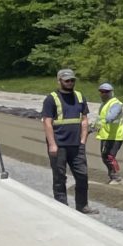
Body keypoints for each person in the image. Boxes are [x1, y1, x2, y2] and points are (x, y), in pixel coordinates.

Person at [41, 67, 92, 211]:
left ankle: (82, 205)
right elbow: (47, 122)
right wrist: (52, 144)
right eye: (67, 80)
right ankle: (62, 206)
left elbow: (84, 120)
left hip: (76, 145)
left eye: (72, 80)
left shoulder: (80, 97)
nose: (70, 83)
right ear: (59, 81)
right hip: (59, 145)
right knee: (59, 177)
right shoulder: (51, 99)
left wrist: (83, 140)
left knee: (82, 176)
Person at [95, 81, 123, 184]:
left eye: (106, 92)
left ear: (111, 92)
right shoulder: (103, 104)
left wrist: (106, 120)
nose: (104, 94)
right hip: (106, 135)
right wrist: (92, 128)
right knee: (105, 157)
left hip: (115, 136)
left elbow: (110, 117)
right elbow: (100, 119)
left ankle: (116, 178)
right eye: (102, 92)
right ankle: (113, 176)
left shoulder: (116, 104)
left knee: (109, 157)